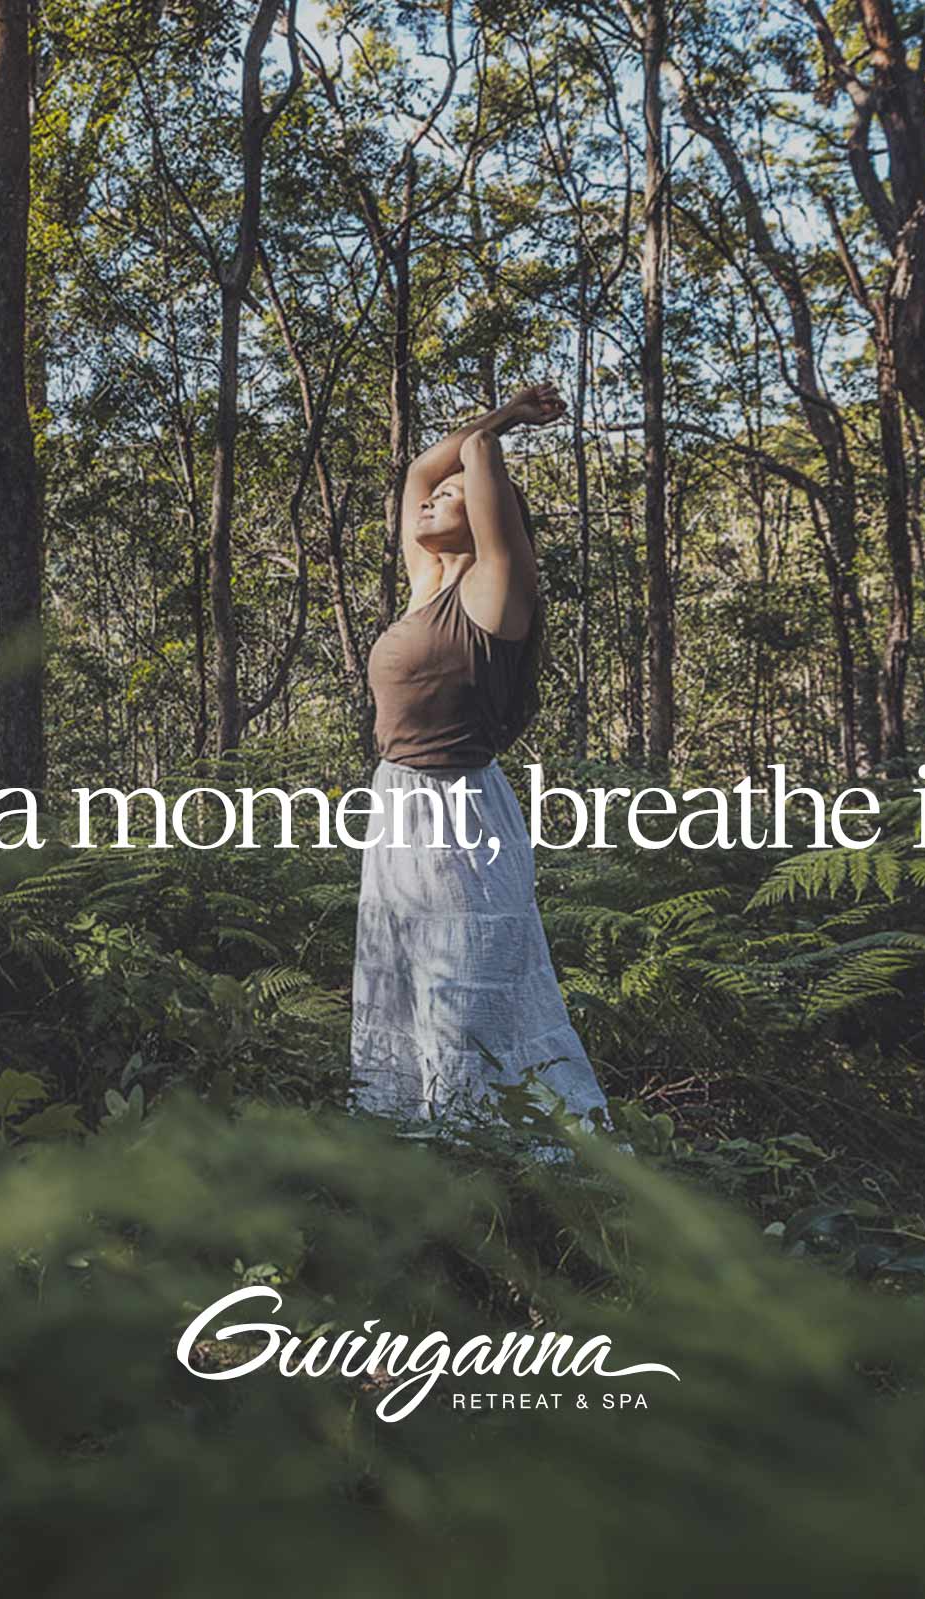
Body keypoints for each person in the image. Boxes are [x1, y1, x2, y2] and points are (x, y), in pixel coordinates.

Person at [348, 380, 615, 1154]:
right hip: (398, 805)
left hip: (460, 815)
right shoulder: (429, 583)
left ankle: (497, 1154)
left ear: (493, 518)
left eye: (457, 499)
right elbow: (418, 477)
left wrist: (502, 426)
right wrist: (496, 421)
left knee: (466, 995)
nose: (432, 504)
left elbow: (471, 453)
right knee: (403, 988)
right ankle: (421, 1139)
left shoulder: (497, 590)